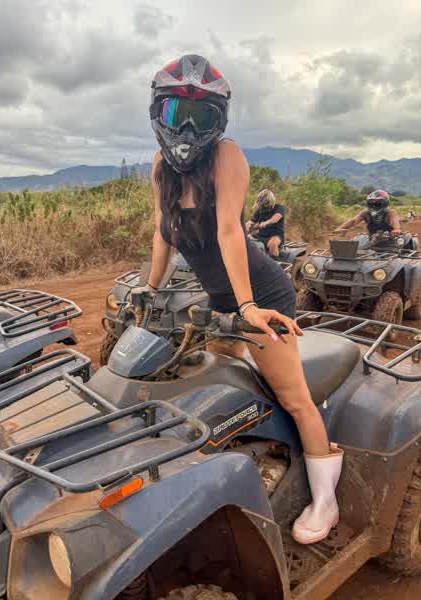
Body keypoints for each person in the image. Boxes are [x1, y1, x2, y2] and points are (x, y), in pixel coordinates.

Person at [142, 54, 343, 544]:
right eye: (176, 113)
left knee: (293, 397)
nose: (187, 128)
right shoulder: (161, 168)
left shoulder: (226, 157)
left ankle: (326, 500)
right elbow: (162, 232)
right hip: (221, 299)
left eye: (201, 115)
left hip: (261, 293)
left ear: (219, 121)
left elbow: (229, 230)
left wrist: (248, 307)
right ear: (158, 113)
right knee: (215, 378)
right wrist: (149, 291)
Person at [334, 189, 401, 236]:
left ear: (385, 203)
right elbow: (353, 221)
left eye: (377, 204)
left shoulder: (390, 213)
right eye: (371, 204)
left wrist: (396, 230)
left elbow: (394, 221)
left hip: (390, 241)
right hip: (371, 241)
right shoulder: (365, 213)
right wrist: (340, 228)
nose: (374, 206)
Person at [246, 189, 285, 257]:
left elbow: (276, 218)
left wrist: (266, 223)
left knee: (272, 244)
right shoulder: (260, 211)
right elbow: (250, 222)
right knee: (246, 239)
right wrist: (243, 228)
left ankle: (274, 262)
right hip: (260, 235)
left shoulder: (279, 208)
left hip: (275, 236)